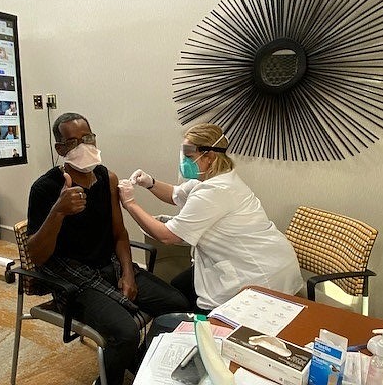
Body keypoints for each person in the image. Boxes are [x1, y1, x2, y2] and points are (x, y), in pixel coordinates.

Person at [27, 112, 189, 385]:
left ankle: (139, 362)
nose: (83, 145)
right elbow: (37, 255)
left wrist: (127, 272)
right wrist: (58, 212)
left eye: (88, 137)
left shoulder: (107, 178)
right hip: (73, 280)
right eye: (73, 141)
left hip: (110, 266)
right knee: (125, 333)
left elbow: (119, 233)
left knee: (177, 304)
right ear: (60, 149)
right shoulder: (45, 188)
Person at [118, 123, 303, 315]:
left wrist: (130, 203)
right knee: (177, 287)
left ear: (210, 156)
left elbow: (167, 236)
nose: (184, 162)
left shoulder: (215, 191)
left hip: (259, 272)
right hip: (255, 256)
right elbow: (177, 194)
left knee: (202, 313)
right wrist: (150, 183)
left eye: (189, 156)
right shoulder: (211, 178)